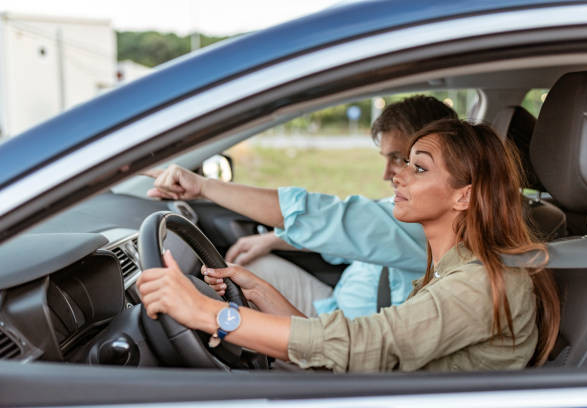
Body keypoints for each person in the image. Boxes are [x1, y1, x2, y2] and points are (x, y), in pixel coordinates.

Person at [137, 119, 560, 372]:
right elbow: (359, 352)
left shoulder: (481, 284)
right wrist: (262, 294)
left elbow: (367, 346)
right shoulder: (455, 268)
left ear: (463, 196)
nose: (397, 175)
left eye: (417, 167)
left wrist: (209, 314)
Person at [144, 96, 458, 318]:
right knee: (247, 269)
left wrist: (203, 186)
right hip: (335, 311)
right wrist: (272, 239)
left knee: (229, 293)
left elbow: (331, 219)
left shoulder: (427, 223)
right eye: (390, 159)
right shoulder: (410, 210)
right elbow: (353, 233)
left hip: (348, 334)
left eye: (402, 160)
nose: (388, 173)